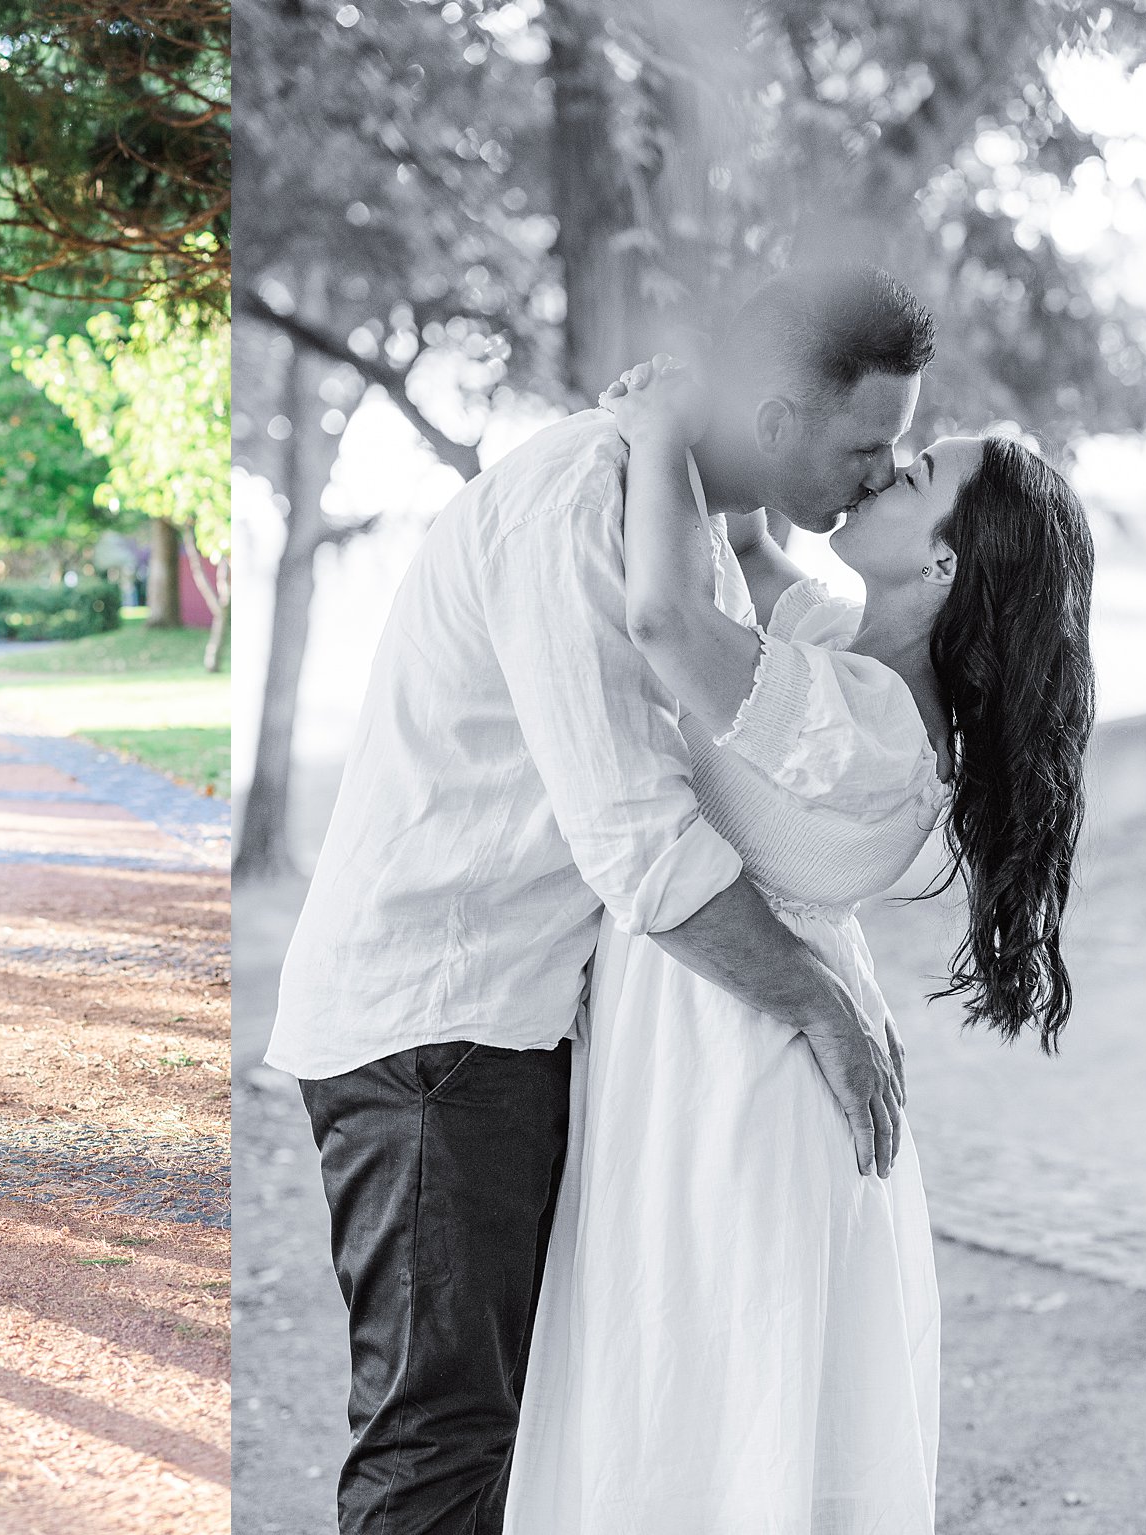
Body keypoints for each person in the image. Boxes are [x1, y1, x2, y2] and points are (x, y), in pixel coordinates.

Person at [265, 265, 931, 1534]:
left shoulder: (681, 520)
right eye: (868, 444)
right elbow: (636, 839)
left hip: (510, 1025)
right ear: (779, 418)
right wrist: (819, 1006)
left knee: (515, 1443)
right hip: (430, 1029)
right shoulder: (584, 497)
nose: (879, 474)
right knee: (439, 1442)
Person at [503, 356, 1094, 1531]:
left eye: (912, 471)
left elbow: (670, 619)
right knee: (690, 1406)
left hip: (739, 1077)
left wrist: (660, 421)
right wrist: (739, 416)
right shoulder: (848, 656)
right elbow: (747, 556)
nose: (879, 472)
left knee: (709, 1421)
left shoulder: (871, 721)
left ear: (941, 561)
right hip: (718, 1039)